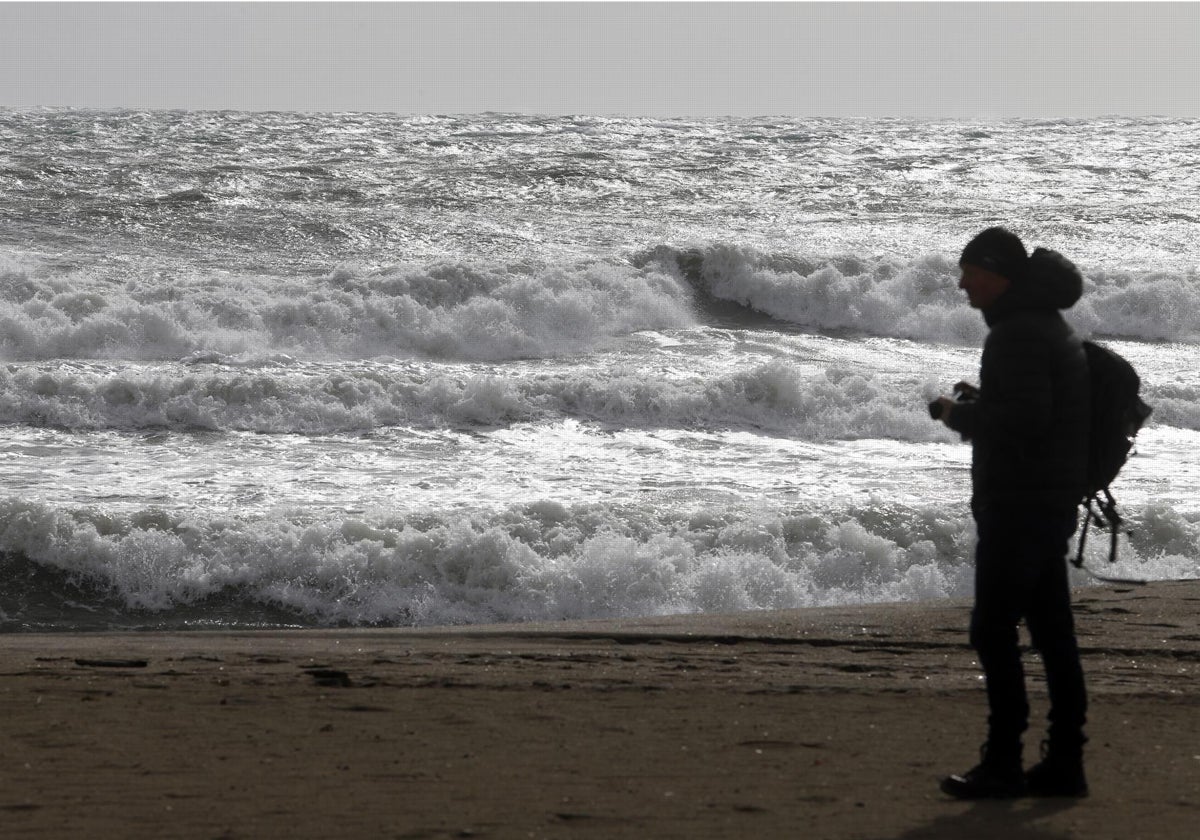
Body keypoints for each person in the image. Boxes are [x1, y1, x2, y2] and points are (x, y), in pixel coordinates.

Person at [932, 227, 1091, 799]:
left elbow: (1022, 424)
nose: (962, 283)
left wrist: (956, 414)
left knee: (994, 631)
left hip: (1021, 507)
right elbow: (1032, 411)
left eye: (972, 272)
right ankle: (1065, 764)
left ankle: (1003, 763)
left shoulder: (1017, 334)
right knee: (1052, 634)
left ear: (999, 274)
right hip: (1044, 502)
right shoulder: (1042, 325)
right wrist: (985, 401)